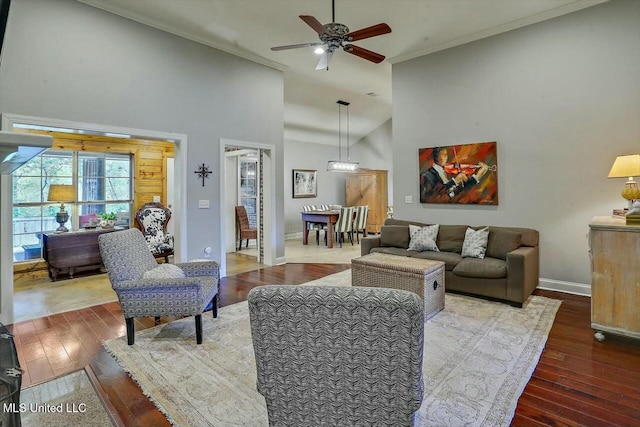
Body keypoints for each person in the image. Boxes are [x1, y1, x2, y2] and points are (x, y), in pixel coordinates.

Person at [421, 147, 489, 201]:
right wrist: (455, 181)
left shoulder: (445, 172)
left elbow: (454, 192)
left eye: (446, 155)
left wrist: (477, 176)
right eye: (444, 155)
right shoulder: (428, 176)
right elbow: (434, 198)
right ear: (436, 156)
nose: (446, 158)